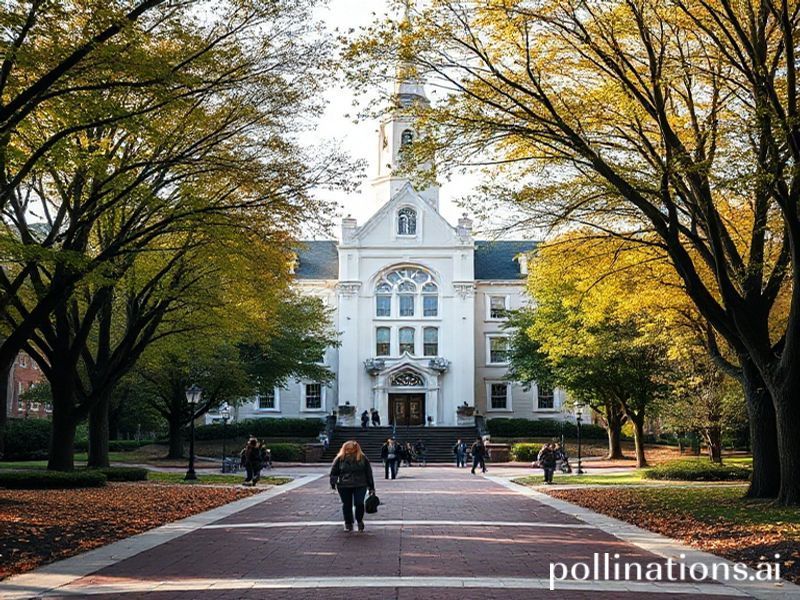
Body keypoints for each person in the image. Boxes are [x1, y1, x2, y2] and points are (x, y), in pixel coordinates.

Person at [329, 440, 375, 532]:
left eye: (352, 449)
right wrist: (333, 483)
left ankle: (359, 521)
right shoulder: (340, 458)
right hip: (344, 485)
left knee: (359, 503)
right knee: (347, 504)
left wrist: (371, 487)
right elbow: (334, 472)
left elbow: (368, 473)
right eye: (348, 449)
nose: (350, 451)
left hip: (360, 484)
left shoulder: (362, 458)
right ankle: (348, 523)